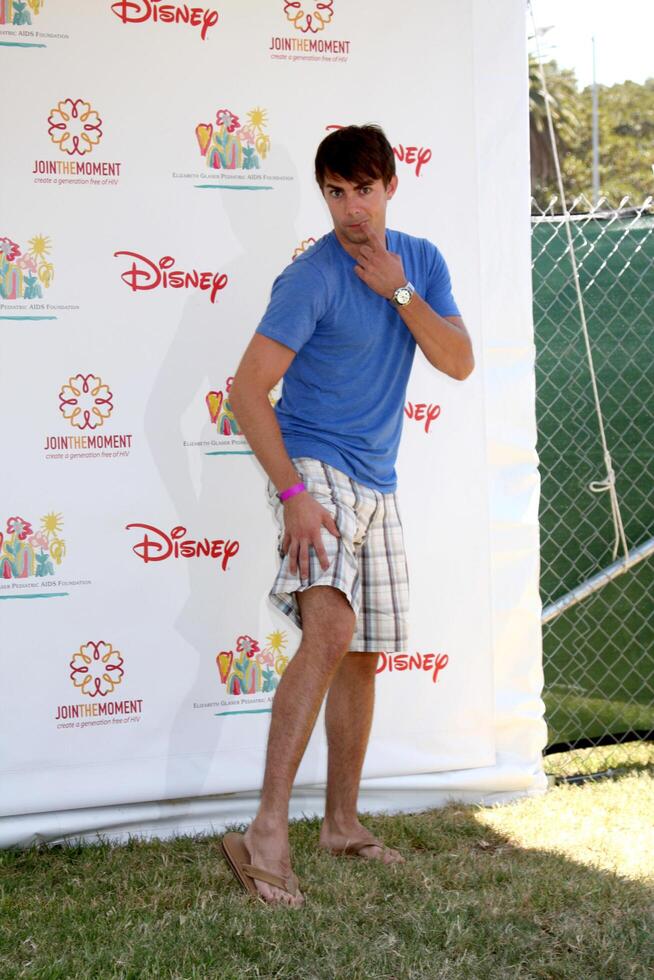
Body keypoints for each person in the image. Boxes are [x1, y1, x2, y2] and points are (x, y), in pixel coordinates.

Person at [222, 124, 474, 908]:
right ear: (324, 194)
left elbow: (459, 362)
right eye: (335, 192)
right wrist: (295, 494)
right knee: (330, 629)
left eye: (363, 190)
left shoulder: (422, 261)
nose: (351, 208)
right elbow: (244, 392)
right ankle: (268, 829)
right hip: (315, 468)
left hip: (379, 480)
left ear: (390, 186)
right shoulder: (310, 278)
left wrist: (399, 289)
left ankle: (339, 823)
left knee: (362, 651)